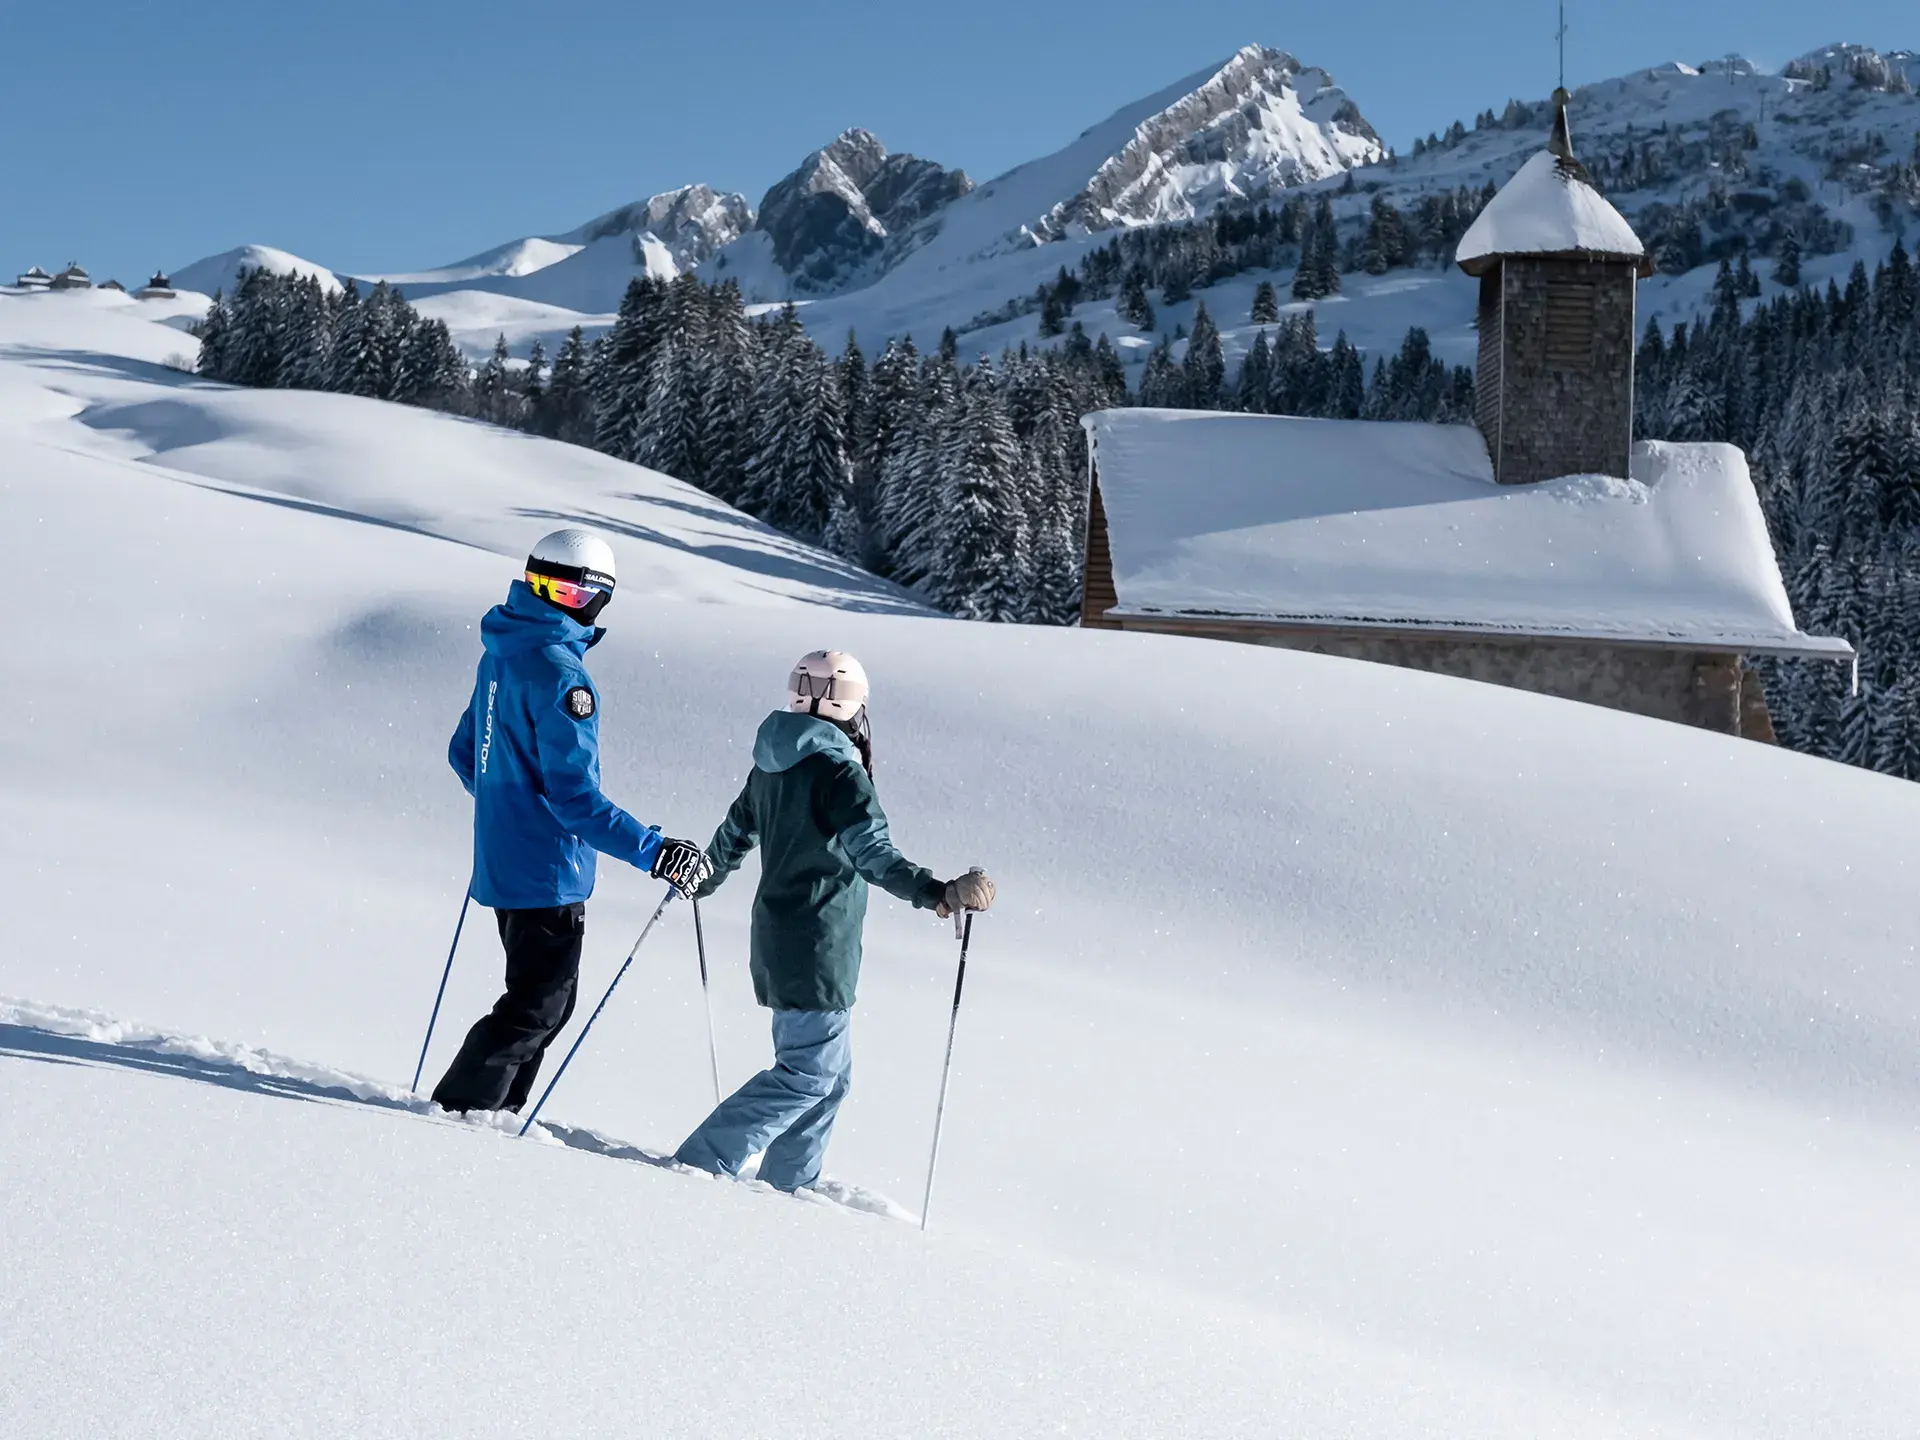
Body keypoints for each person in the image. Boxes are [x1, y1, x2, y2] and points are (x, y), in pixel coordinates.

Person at [674, 650, 994, 1192]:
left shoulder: (771, 763)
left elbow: (733, 836)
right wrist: (938, 892)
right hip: (818, 943)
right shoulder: (839, 772)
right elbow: (875, 856)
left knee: (831, 1079)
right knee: (807, 1075)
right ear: (852, 706)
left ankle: (788, 1187)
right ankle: (700, 1163)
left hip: (780, 940)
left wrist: (701, 878)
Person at [432, 528, 711, 1114]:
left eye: (578, 596)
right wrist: (654, 851)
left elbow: (466, 754)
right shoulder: (563, 675)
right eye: (554, 589)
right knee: (538, 1006)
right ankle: (460, 1111)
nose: (567, 604)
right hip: (545, 870)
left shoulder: (502, 650)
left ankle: (493, 1112)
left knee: (546, 1003)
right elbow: (574, 798)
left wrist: (506, 811)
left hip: (506, 860)